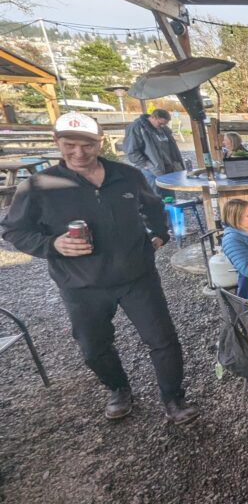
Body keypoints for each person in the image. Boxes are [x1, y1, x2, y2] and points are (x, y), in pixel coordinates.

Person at [1, 112, 198, 424]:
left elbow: (153, 206)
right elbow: (14, 231)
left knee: (163, 340)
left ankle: (173, 397)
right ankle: (118, 388)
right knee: (94, 348)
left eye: (87, 145)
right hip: (81, 284)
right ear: (56, 141)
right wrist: (52, 244)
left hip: (137, 276)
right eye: (70, 145)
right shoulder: (39, 185)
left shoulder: (127, 175)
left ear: (100, 142)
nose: (79, 153)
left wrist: (159, 234)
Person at [123, 108, 185, 193]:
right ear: (154, 117)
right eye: (160, 123)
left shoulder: (164, 129)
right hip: (150, 170)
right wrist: (146, 165)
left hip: (167, 169)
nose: (162, 126)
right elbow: (131, 150)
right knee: (155, 195)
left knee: (169, 196)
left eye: (165, 124)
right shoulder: (136, 127)